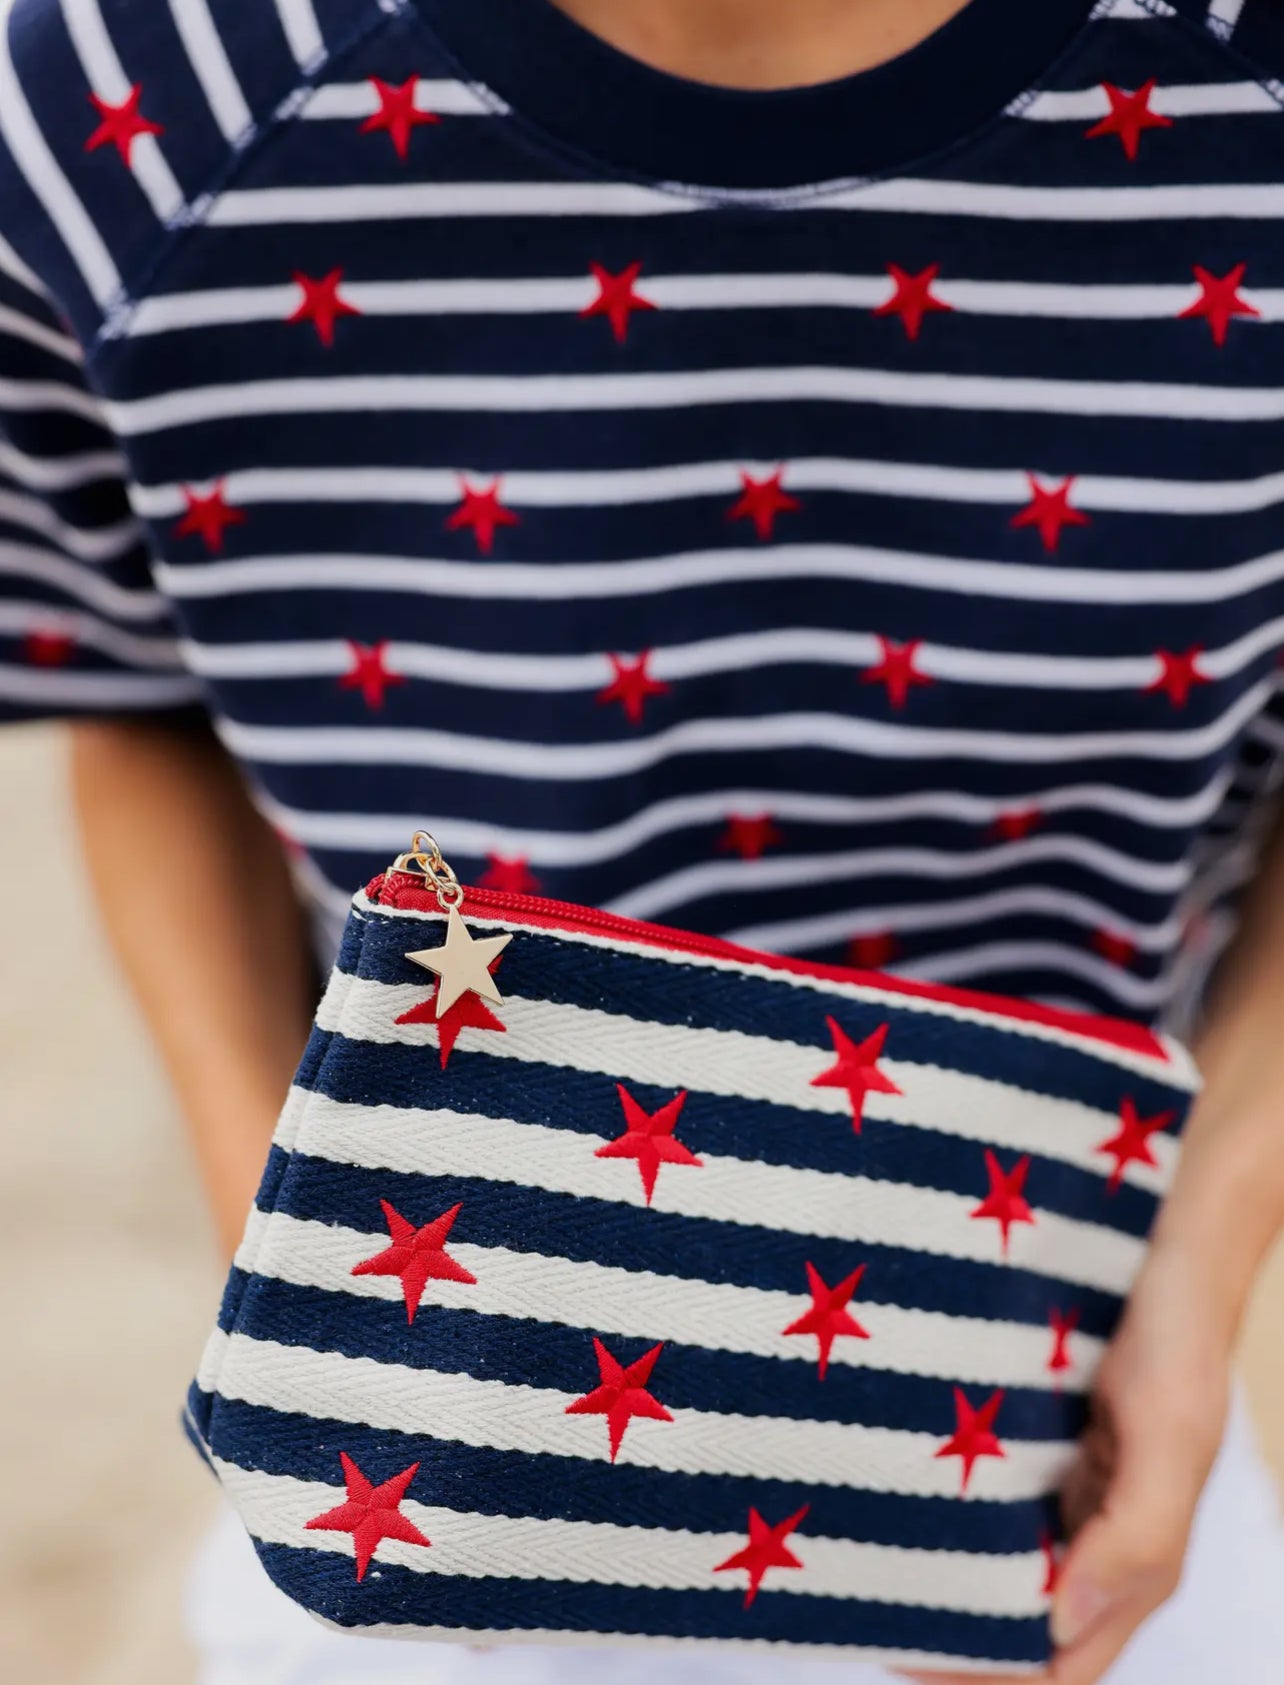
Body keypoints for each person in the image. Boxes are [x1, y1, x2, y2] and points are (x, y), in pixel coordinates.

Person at [3, 0, 1284, 1679]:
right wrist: (305, 1270)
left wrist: (1203, 1264)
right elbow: (135, 682)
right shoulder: (122, 104)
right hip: (433, 1378)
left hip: (1067, 1385)